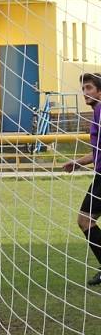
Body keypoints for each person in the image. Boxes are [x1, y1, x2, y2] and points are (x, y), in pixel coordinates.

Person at [63, 73, 101, 285]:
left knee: (85, 220)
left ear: (100, 91)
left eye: (89, 88)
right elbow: (97, 152)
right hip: (100, 175)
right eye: (83, 88)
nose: (85, 92)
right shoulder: (97, 112)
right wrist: (77, 163)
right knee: (85, 220)